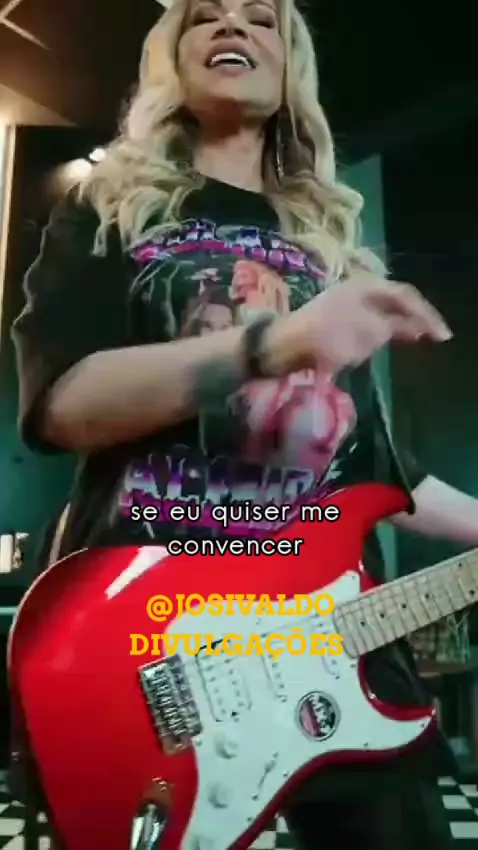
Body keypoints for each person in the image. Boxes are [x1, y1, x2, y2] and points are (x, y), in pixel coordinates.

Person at [10, 0, 478, 847]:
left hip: (333, 633)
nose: (232, 26)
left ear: (291, 60)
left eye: (260, 18)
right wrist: (273, 343)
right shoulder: (110, 208)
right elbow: (65, 404)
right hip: (155, 635)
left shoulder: (329, 247)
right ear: (173, 54)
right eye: (206, 17)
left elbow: (372, 466)